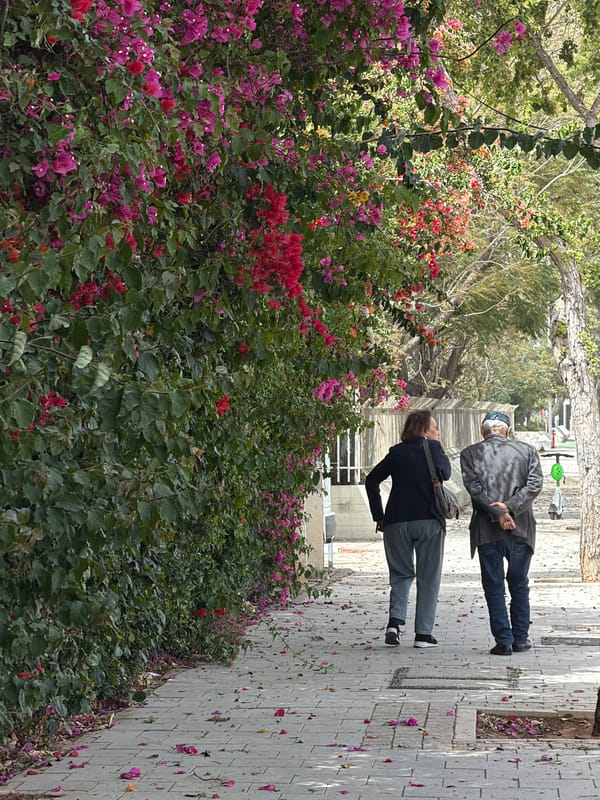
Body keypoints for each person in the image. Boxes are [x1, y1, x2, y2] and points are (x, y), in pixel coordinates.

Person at [365, 409, 451, 648]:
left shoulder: (396, 453)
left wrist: (378, 516)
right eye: (435, 427)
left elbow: (371, 480)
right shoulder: (434, 448)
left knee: (401, 575)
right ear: (424, 430)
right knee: (428, 578)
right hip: (429, 521)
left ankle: (394, 623)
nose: (438, 431)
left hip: (396, 522)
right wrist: (438, 449)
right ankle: (423, 635)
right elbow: (446, 473)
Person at [460, 411, 543, 656]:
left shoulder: (470, 454)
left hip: (487, 530)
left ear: (484, 430)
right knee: (519, 584)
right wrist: (510, 508)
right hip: (521, 528)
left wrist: (497, 512)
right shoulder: (527, 451)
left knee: (494, 585)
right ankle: (520, 638)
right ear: (507, 430)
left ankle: (503, 640)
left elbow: (474, 490)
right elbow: (535, 485)